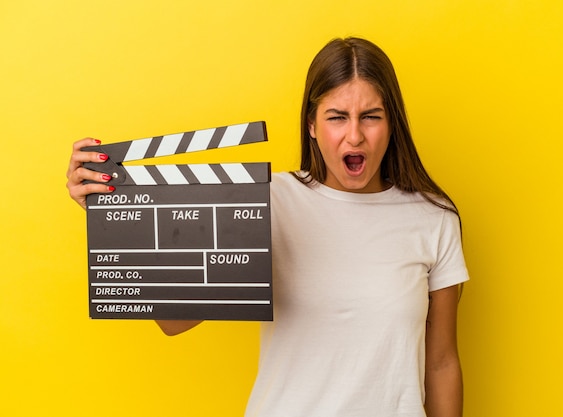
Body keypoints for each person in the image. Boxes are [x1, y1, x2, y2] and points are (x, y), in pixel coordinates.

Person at [67, 37, 469, 417]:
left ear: (391, 122)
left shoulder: (433, 219)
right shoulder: (268, 202)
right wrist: (111, 212)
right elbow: (174, 321)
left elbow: (441, 362)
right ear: (312, 125)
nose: (354, 135)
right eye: (336, 117)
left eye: (371, 117)